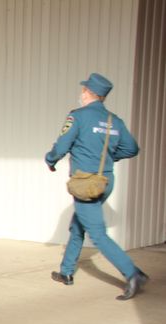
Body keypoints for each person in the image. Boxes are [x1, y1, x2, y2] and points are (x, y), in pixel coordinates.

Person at [46, 72, 147, 300]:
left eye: (82, 91)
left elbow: (61, 146)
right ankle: (66, 272)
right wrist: (110, 157)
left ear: (86, 92)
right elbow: (132, 148)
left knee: (98, 234)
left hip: (86, 184)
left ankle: (132, 273)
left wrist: (50, 160)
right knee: (78, 225)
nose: (80, 94)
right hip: (105, 181)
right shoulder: (114, 120)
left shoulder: (78, 117)